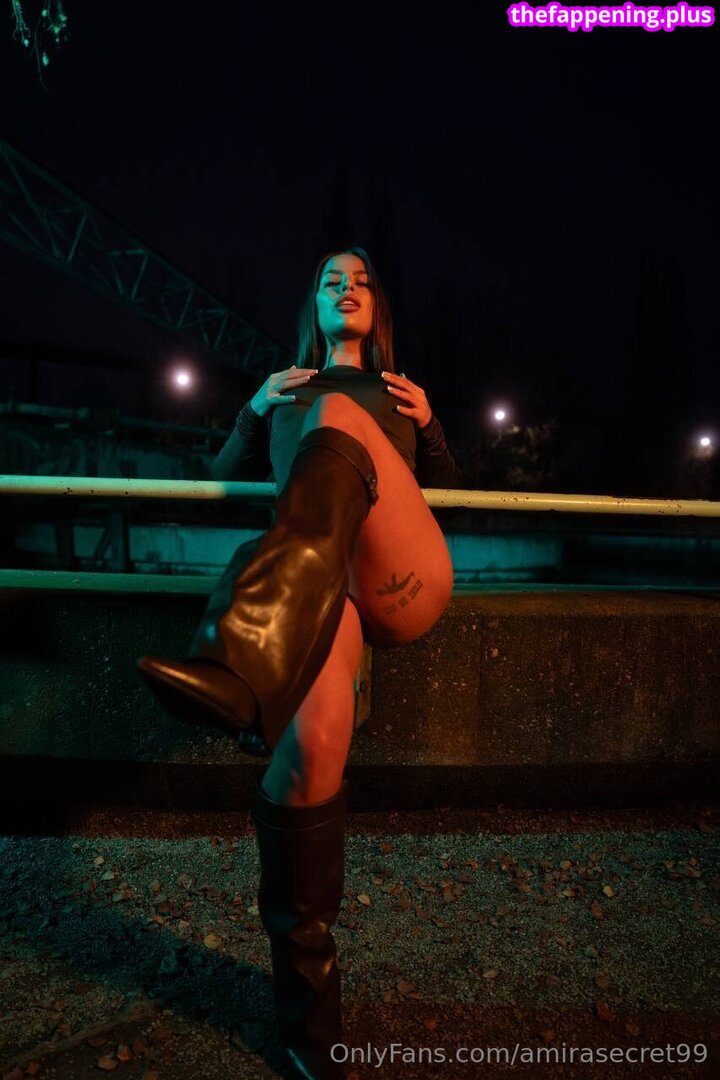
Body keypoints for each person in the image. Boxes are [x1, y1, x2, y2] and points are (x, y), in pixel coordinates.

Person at [138, 247, 463, 1080]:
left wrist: (430, 426)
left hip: (398, 579)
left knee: (342, 418)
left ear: (377, 310)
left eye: (361, 282)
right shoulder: (283, 391)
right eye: (330, 280)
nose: (346, 288)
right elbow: (214, 483)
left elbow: (449, 498)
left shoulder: (395, 394)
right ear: (311, 306)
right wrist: (252, 412)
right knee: (313, 750)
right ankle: (311, 1026)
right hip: (321, 598)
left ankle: (239, 659)